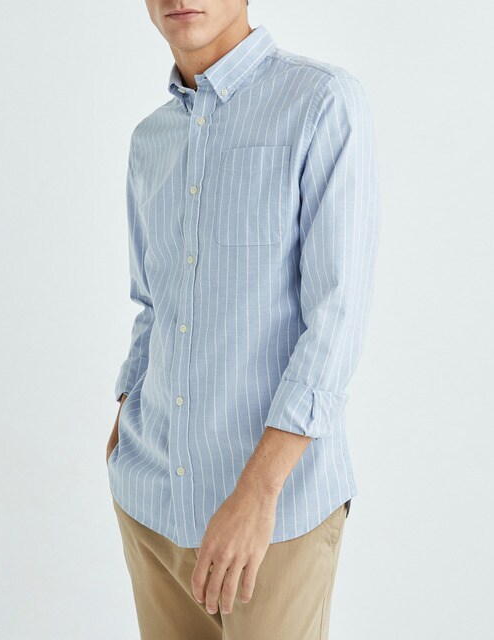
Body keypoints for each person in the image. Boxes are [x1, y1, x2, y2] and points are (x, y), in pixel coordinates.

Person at [106, 2, 381, 638]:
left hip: (275, 516)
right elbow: (151, 302)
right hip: (150, 502)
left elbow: (336, 317)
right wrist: (124, 412)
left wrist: (258, 493)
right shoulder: (150, 139)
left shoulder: (321, 103)